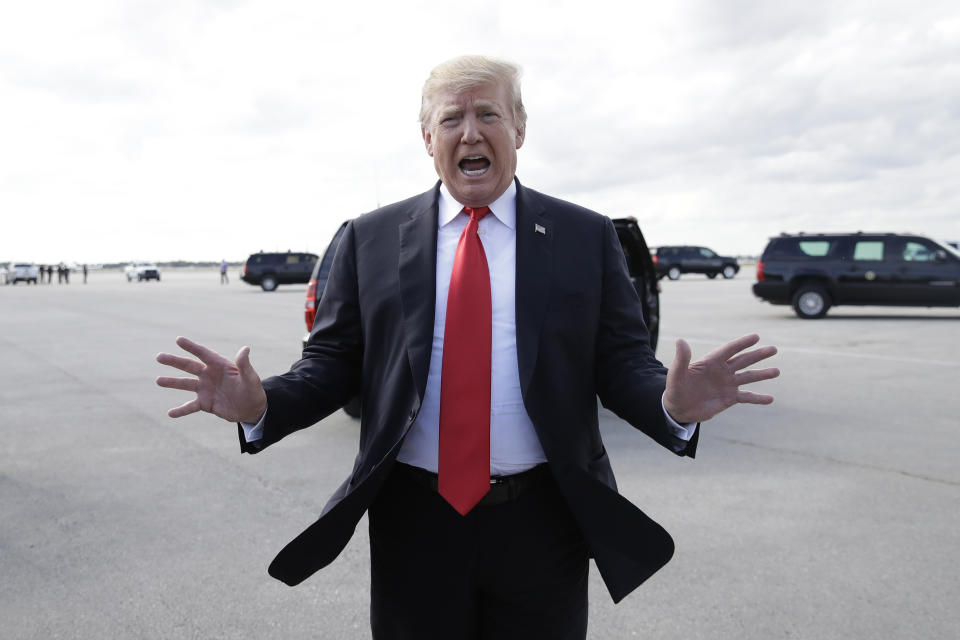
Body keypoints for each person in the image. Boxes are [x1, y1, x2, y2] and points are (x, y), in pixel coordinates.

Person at [156, 55, 779, 639]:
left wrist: (672, 405)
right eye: (451, 118)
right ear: (427, 138)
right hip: (413, 520)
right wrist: (261, 404)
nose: (471, 132)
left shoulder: (582, 235)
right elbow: (331, 364)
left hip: (544, 519)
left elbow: (620, 362)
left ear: (520, 129)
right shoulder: (368, 238)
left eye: (488, 114)